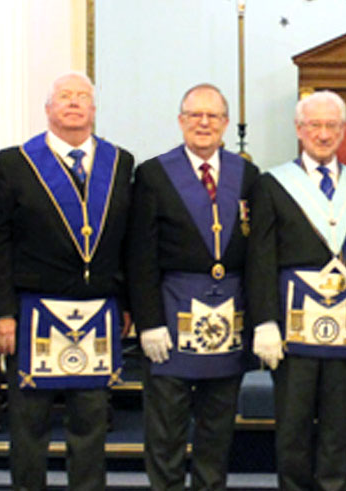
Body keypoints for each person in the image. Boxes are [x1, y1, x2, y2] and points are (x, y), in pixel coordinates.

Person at [0, 72, 135, 490]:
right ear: (48, 108)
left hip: (96, 311)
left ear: (94, 109)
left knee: (90, 425)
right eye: (64, 97)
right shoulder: (15, 162)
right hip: (32, 315)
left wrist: (124, 300)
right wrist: (1, 313)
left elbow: (126, 241)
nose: (73, 103)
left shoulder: (120, 162)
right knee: (29, 427)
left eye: (82, 97)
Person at [246, 90, 346, 491]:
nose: (322, 134)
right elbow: (260, 259)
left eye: (331, 126)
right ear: (299, 129)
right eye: (314, 125)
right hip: (291, 331)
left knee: (337, 427)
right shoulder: (273, 185)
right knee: (292, 427)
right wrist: (265, 323)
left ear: (343, 131)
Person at [128, 83, 258, 491]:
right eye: (195, 115)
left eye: (213, 116)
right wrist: (148, 322)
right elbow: (140, 256)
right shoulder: (153, 174)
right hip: (170, 315)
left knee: (216, 430)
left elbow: (256, 254)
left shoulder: (247, 174)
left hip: (229, 319)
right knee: (165, 432)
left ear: (224, 123)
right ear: (181, 121)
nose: (204, 123)